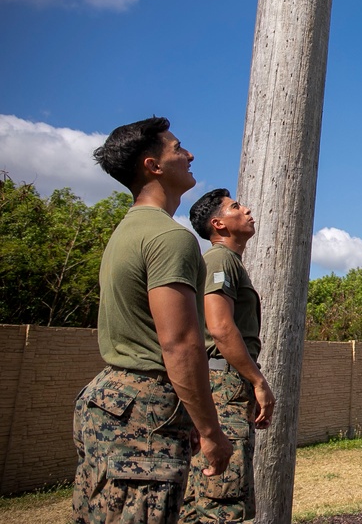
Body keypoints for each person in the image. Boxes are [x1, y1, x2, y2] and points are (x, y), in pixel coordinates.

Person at [73, 117, 232, 522]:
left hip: (111, 400)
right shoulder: (169, 237)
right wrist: (212, 432)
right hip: (145, 409)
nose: (190, 154)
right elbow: (179, 343)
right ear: (153, 165)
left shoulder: (126, 231)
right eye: (178, 148)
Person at [180, 189, 276, 523]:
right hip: (224, 384)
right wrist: (257, 380)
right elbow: (220, 328)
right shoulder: (219, 260)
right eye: (236, 207)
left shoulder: (228, 263)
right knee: (223, 498)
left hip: (221, 381)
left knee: (200, 500)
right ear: (218, 224)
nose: (247, 209)